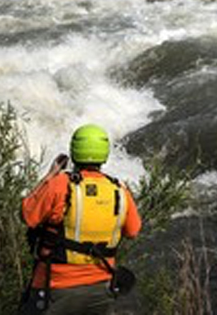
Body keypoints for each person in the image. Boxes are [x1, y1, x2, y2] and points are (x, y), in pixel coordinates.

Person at [20, 124, 142, 314]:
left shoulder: (60, 184)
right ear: (105, 154)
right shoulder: (120, 190)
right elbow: (133, 231)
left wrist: (49, 176)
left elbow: (28, 215)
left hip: (54, 286)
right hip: (101, 288)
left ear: (74, 151)